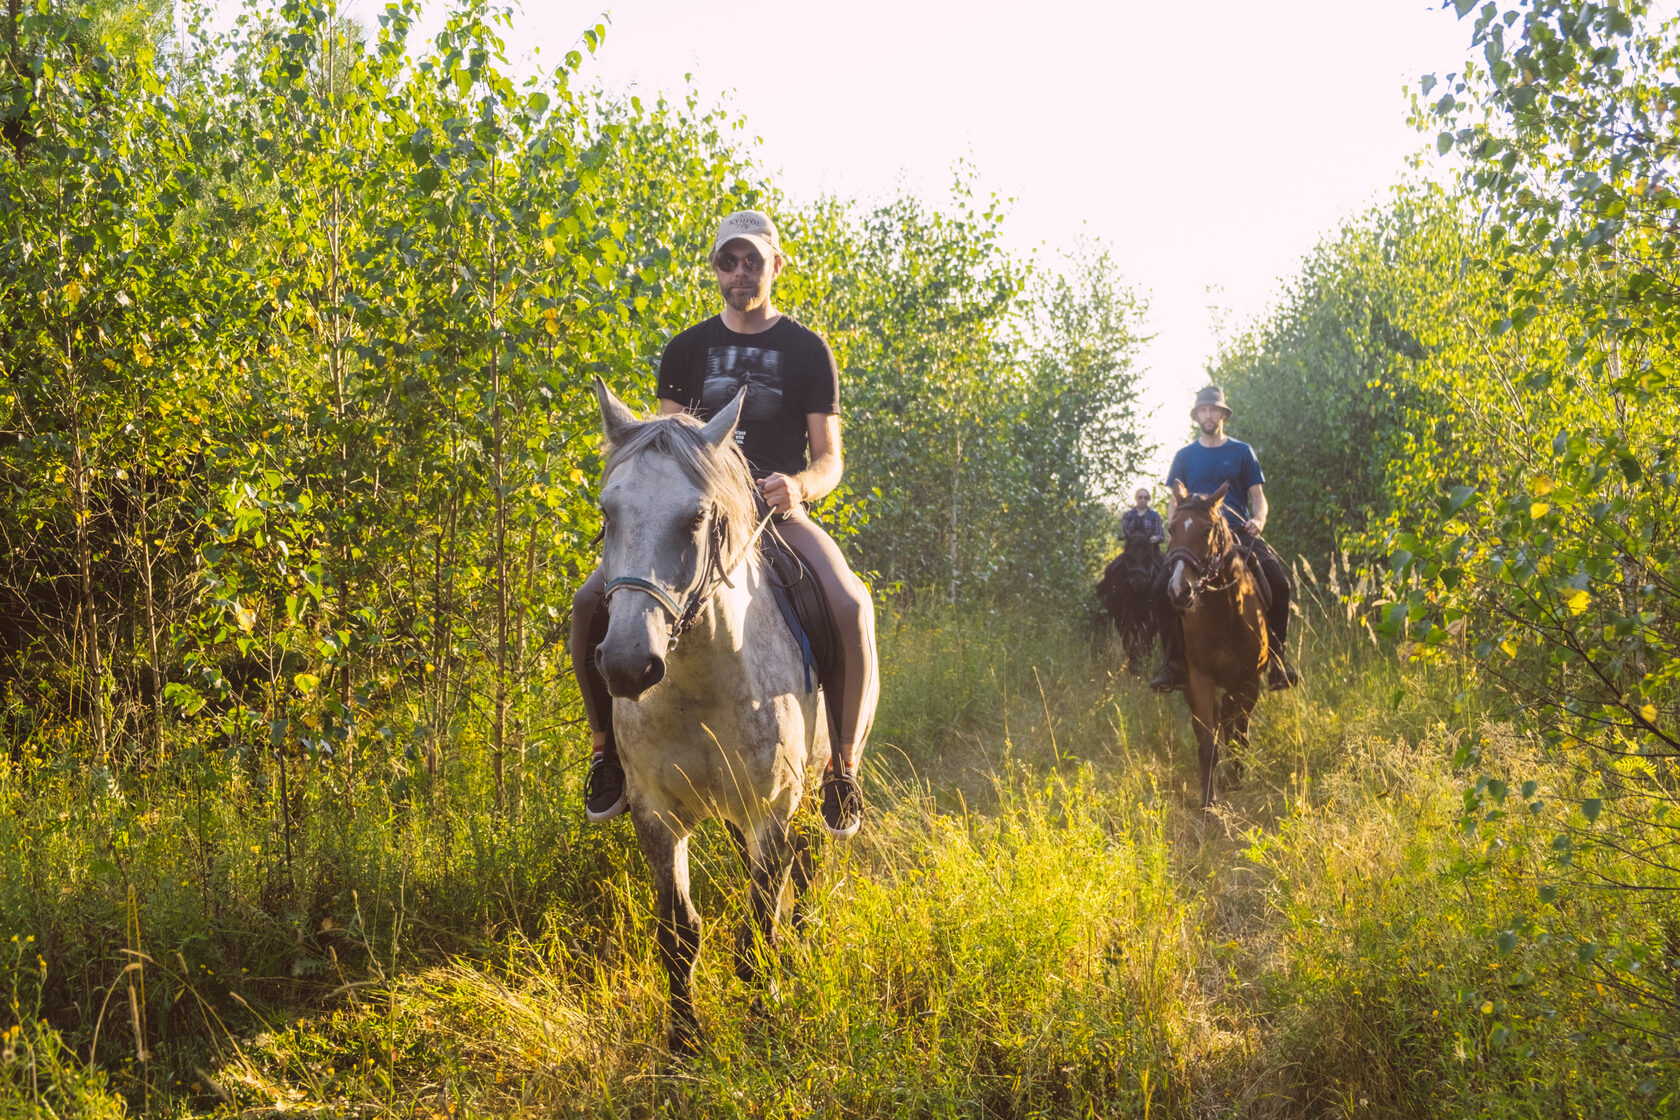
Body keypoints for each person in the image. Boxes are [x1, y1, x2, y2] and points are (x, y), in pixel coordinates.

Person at [570, 209, 879, 839]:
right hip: (695, 516)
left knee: (848, 604)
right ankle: (607, 754)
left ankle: (842, 766)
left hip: (773, 514)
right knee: (586, 603)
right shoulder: (687, 348)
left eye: (752, 261)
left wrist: (797, 486)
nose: (740, 274)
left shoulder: (806, 350)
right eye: (727, 262)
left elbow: (830, 458)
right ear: (715, 270)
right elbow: (665, 445)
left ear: (775, 266)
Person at [1149, 385, 1300, 693]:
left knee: (1279, 583)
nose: (1208, 415)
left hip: (1237, 534)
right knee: (1158, 590)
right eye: (1203, 410)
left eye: (1213, 410)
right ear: (1197, 416)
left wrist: (1258, 519)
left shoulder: (1242, 452)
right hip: (1195, 540)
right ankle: (1174, 665)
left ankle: (1276, 661)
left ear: (1222, 415)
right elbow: (1174, 502)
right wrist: (1172, 524)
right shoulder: (1184, 456)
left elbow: (1259, 498)